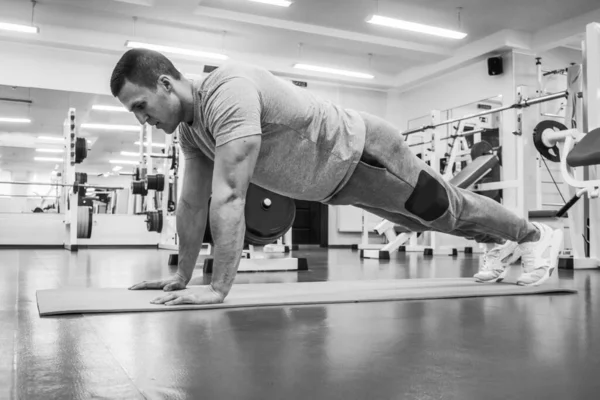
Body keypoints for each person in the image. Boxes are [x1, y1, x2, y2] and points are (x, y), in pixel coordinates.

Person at [110, 49, 563, 306]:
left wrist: (217, 289)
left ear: (167, 84)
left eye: (140, 106)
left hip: (363, 152)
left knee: (445, 207)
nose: (141, 119)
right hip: (337, 183)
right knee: (426, 223)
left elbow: (228, 196)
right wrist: (183, 276)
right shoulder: (191, 131)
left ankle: (534, 234)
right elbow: (191, 204)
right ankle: (499, 243)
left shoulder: (227, 92)